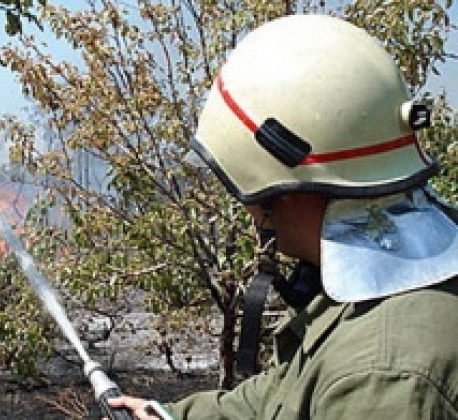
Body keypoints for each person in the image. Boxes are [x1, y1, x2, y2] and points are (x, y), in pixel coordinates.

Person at [109, 14, 458, 419]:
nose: (247, 210)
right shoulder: (376, 283)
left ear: (283, 191)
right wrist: (167, 415)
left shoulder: (382, 379)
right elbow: (275, 398)